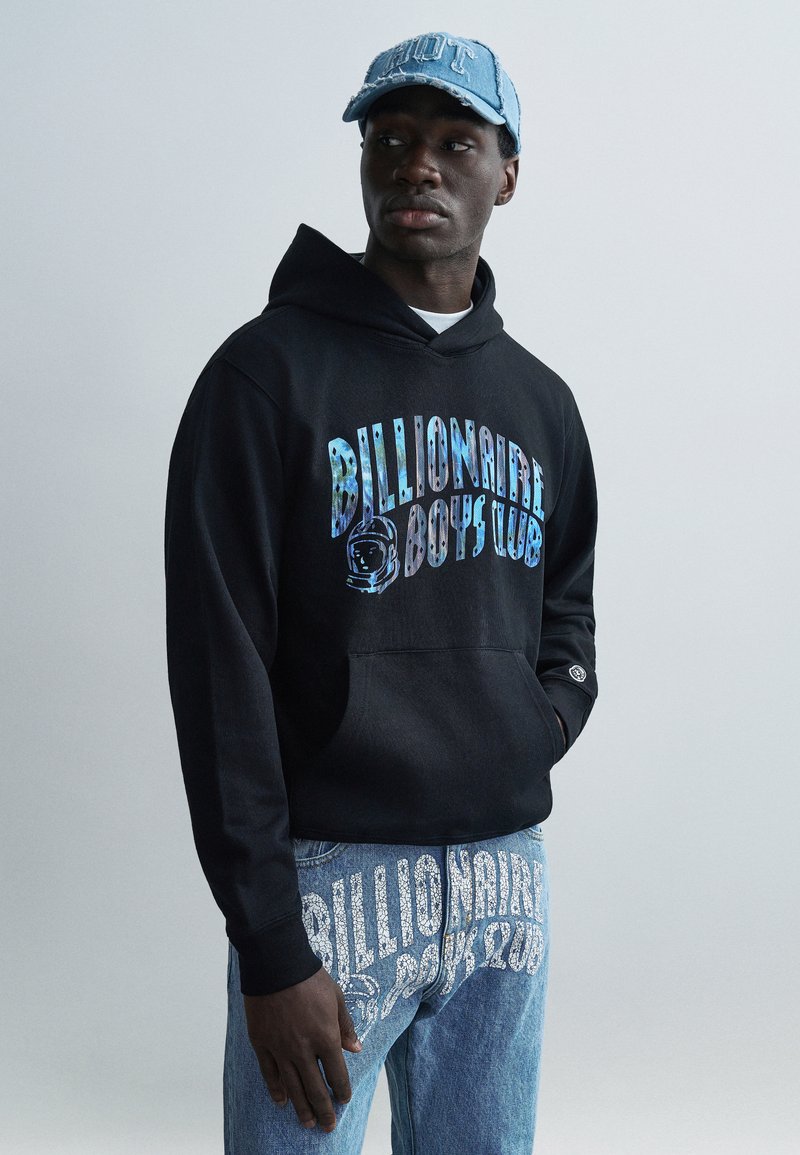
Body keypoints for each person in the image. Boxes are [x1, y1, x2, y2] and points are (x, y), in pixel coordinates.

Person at [165, 31, 598, 1154]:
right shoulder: (263, 379)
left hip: (504, 877)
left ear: (507, 173)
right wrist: (270, 942)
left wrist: (536, 723)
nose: (419, 165)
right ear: (363, 159)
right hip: (329, 884)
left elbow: (568, 609)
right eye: (392, 138)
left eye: (456, 142)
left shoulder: (540, 402)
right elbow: (219, 673)